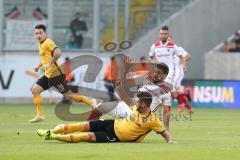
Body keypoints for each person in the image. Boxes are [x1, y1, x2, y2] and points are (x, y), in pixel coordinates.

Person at [37, 83, 175, 143]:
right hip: (112, 124)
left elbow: (164, 133)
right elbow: (126, 100)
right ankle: (51, 131)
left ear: (144, 105)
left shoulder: (152, 120)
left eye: (138, 102)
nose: (135, 102)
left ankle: (53, 136)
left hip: (115, 136)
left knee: (86, 136)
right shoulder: (135, 107)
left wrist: (170, 141)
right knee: (82, 125)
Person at [30, 24, 97, 123]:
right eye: (36, 33)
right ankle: (40, 115)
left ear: (45, 33)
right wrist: (39, 66)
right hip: (48, 75)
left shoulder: (48, 42)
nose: (38, 35)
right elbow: (46, 57)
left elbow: (58, 53)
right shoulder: (40, 44)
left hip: (56, 76)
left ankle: (90, 101)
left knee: (69, 96)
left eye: (40, 33)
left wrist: (49, 64)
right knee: (35, 90)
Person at [87, 61, 173, 131]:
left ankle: (99, 125)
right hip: (130, 107)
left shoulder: (166, 92)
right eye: (155, 71)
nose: (155, 74)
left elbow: (166, 112)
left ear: (165, 75)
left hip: (141, 117)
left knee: (114, 127)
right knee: (101, 107)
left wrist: (166, 129)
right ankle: (89, 125)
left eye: (159, 73)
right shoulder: (146, 78)